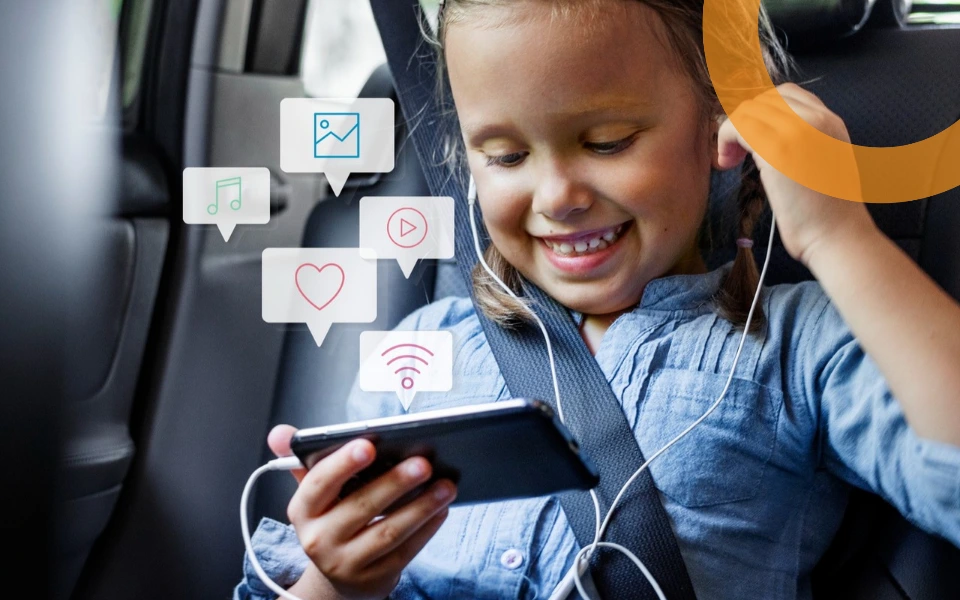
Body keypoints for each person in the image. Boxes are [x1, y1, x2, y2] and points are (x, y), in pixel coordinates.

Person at [234, 0, 960, 598]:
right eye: (507, 157)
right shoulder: (423, 351)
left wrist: (838, 238)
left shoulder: (792, 346)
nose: (557, 198)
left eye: (608, 141)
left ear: (722, 121)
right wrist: (336, 581)